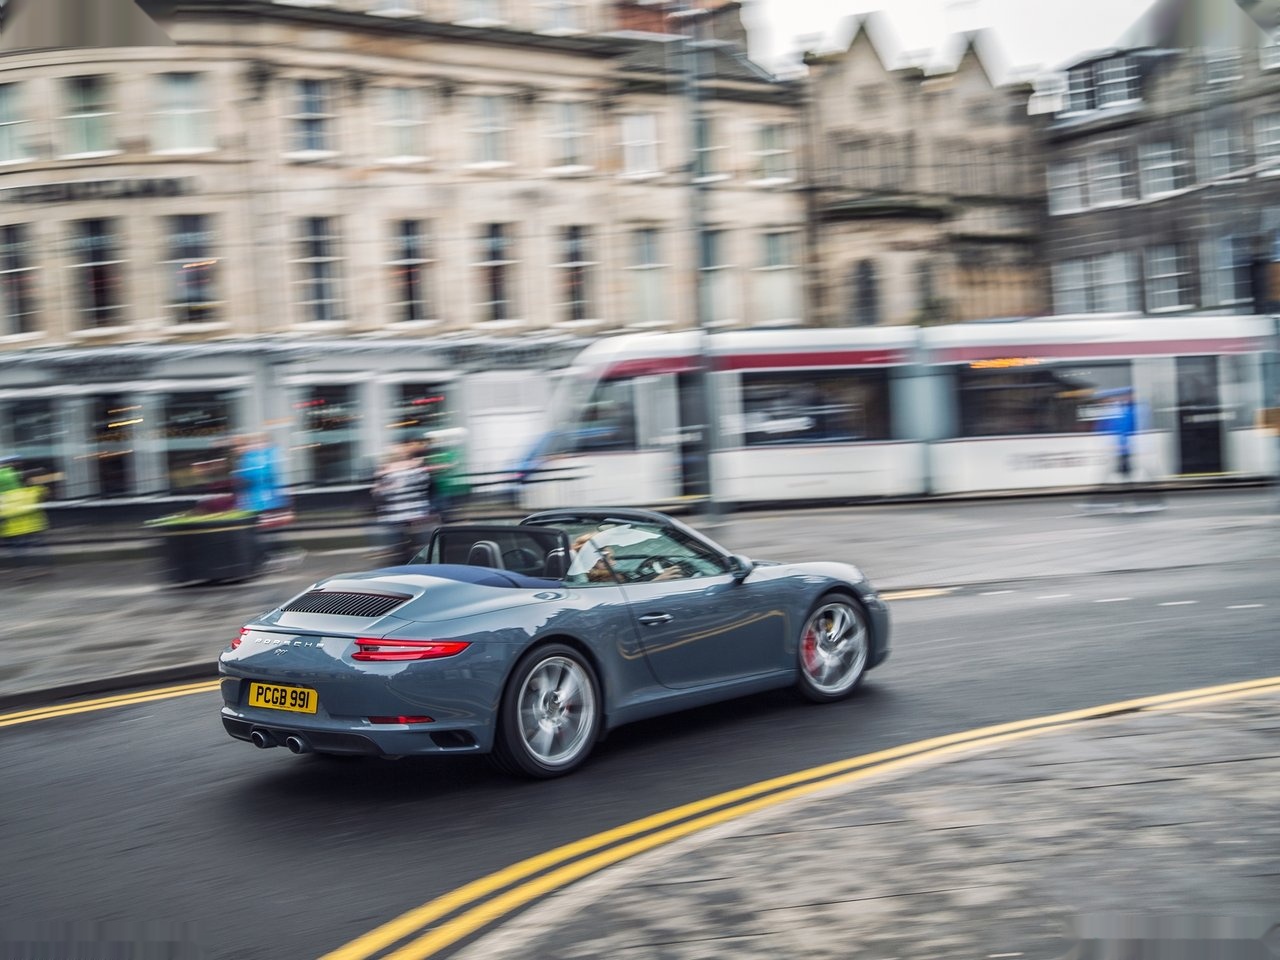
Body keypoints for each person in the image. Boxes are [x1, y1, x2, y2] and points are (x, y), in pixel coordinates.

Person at [371, 443, 432, 563]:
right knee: (415, 542)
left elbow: (379, 493)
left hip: (396, 514)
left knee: (400, 544)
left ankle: (401, 558)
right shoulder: (416, 470)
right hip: (416, 512)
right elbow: (425, 484)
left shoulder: (386, 473)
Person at [1, 465, 49, 580]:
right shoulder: (31, 491)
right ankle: (43, 568)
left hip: (14, 529)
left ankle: (24, 570)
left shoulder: (5, 497)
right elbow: (44, 493)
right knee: (38, 547)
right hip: (34, 525)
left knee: (19, 551)